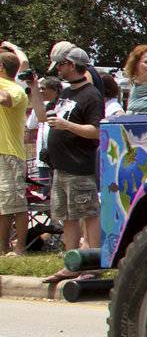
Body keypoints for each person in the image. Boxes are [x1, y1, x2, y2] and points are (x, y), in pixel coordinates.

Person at [30, 44, 104, 260]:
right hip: (60, 168)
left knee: (88, 214)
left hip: (79, 167)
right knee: (67, 217)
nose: (57, 71)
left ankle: (92, 260)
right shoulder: (67, 92)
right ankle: (70, 259)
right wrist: (34, 87)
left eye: (60, 66)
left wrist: (67, 125)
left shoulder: (91, 95)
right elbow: (43, 117)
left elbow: (97, 131)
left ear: (70, 64)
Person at [0, 46, 29, 255]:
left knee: (16, 204)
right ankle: (2, 248)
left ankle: (20, 249)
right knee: (3, 205)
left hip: (11, 154)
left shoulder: (16, 89)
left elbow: (5, 100)